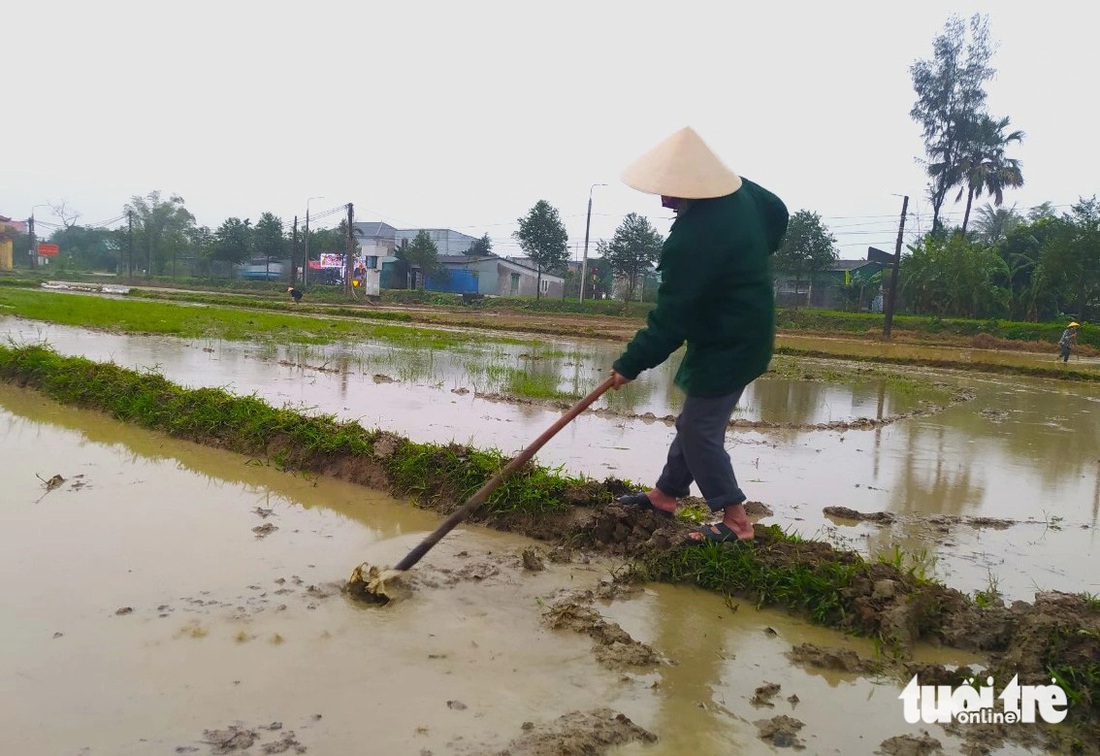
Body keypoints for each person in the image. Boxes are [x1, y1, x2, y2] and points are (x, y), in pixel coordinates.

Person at [609, 126, 789, 545]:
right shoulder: (745, 194)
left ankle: (736, 520)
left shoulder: (694, 239)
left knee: (699, 430)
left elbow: (672, 318)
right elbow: (777, 214)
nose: (664, 200)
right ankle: (666, 495)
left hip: (731, 341)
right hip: (737, 329)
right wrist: (748, 261)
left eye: (672, 190)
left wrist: (629, 365)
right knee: (694, 422)